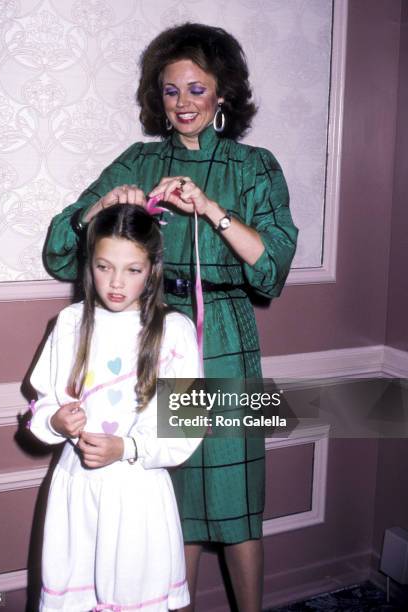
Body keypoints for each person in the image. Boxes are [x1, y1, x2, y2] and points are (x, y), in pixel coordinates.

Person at [43, 23, 298, 612]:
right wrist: (101, 207)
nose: (182, 103)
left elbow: (273, 271)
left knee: (234, 496)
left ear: (223, 95)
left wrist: (211, 210)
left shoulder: (254, 167)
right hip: (150, 333)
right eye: (170, 91)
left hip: (227, 339)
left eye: (196, 89)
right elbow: (60, 250)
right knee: (167, 490)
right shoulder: (138, 159)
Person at [29, 204, 203, 611]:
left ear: (152, 269)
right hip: (78, 493)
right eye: (105, 267)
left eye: (133, 270)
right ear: (89, 264)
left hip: (137, 494)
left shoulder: (173, 330)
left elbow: (185, 426)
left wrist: (125, 447)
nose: (116, 283)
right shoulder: (70, 322)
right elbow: (43, 403)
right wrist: (55, 420)